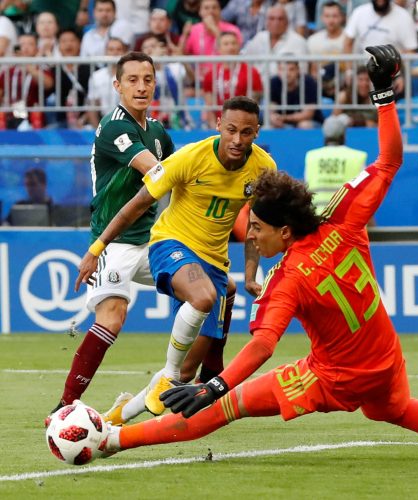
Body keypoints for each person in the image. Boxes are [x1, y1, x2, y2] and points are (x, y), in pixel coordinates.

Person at [99, 45, 418, 463]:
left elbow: (262, 347)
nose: (250, 237)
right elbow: (389, 162)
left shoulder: (286, 278)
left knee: (221, 410)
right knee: (393, 408)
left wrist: (214, 386)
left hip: (331, 378)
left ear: (284, 231)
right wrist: (384, 95)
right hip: (385, 359)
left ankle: (111, 441)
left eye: (256, 228)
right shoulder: (342, 220)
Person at [75, 96, 277, 425]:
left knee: (184, 378)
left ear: (257, 132)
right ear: (218, 126)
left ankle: (117, 415)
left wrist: (252, 273)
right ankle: (168, 373)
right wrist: (97, 248)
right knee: (205, 297)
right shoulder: (190, 158)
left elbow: (256, 223)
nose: (237, 140)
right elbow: (136, 205)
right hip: (171, 244)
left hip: (212, 263)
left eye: (246, 132)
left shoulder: (264, 168)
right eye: (231, 130)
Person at [45, 51, 175, 420]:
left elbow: (176, 179)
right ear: (117, 86)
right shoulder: (113, 126)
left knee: (206, 292)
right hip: (112, 241)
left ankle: (194, 380)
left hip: (150, 241)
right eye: (132, 80)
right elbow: (159, 172)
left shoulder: (159, 132)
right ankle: (65, 405)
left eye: (147, 79)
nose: (141, 86)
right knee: (112, 317)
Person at [304, 114, 367, 213]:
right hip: (348, 220)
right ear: (344, 135)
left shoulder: (311, 156)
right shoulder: (357, 156)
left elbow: (307, 191)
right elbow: (364, 193)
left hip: (318, 220)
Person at [202, 31, 263, 129]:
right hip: (218, 125)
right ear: (219, 49)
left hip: (243, 125)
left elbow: (253, 105)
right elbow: (209, 106)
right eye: (226, 44)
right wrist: (215, 128)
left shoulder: (251, 72)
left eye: (234, 43)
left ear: (239, 47)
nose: (230, 47)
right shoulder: (210, 74)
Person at [243, 4, 309, 77]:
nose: (276, 23)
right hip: (256, 85)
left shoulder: (298, 42)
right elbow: (244, 60)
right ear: (266, 22)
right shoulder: (259, 37)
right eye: (272, 18)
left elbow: (302, 72)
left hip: (283, 86)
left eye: (280, 19)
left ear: (287, 22)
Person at [269, 60, 323, 129]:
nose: (287, 73)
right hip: (283, 122)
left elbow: (308, 114)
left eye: (291, 69)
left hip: (311, 122)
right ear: (278, 70)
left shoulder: (308, 81)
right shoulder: (274, 82)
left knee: (304, 125)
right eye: (282, 69)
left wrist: (283, 118)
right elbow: (272, 107)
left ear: (298, 70)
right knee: (270, 125)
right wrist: (273, 117)